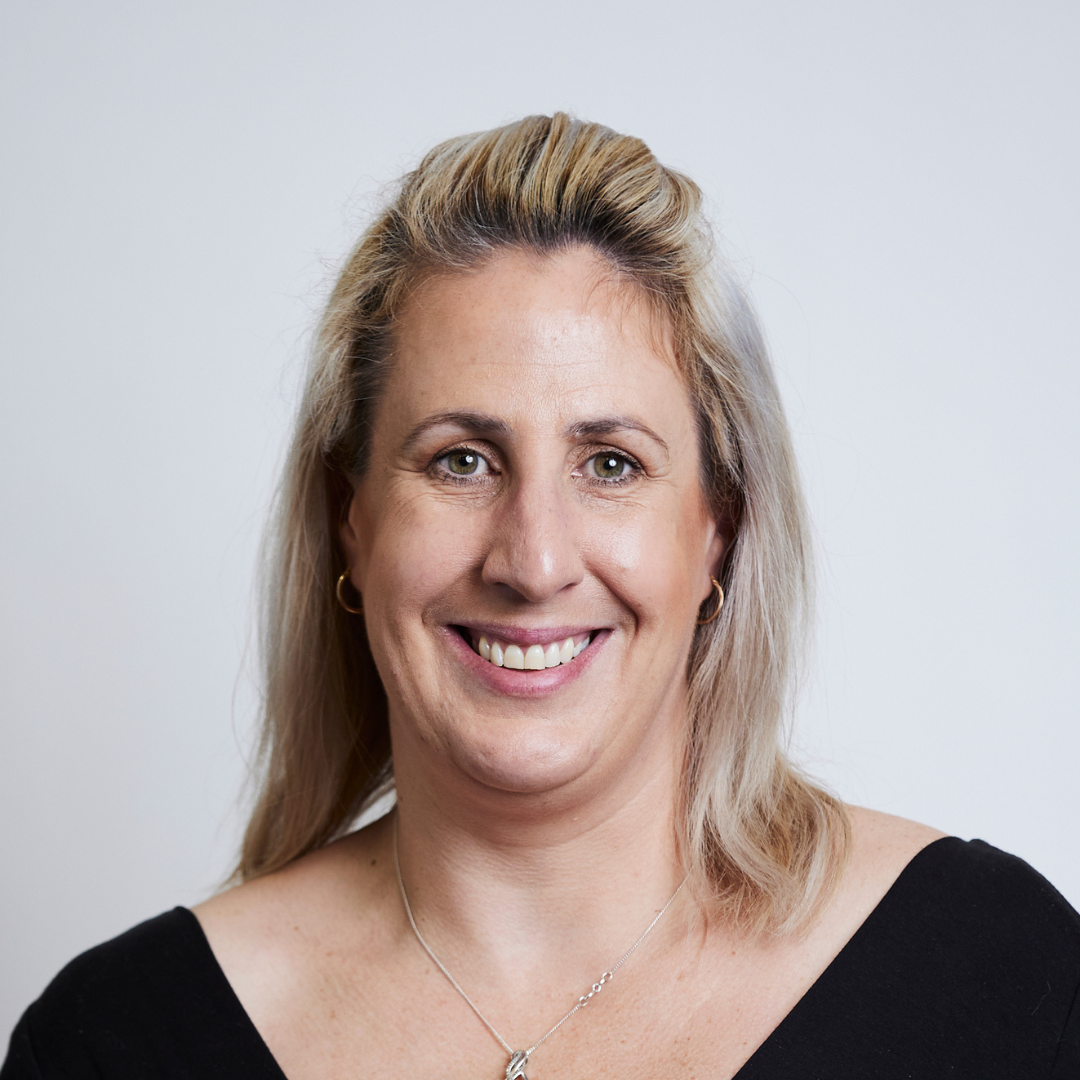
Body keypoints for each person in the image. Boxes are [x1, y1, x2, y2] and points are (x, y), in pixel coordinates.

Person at [3, 113, 1078, 1080]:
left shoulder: (999, 978)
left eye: (610, 463)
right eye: (461, 460)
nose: (533, 560)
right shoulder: (116, 1043)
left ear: (719, 533)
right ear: (353, 519)